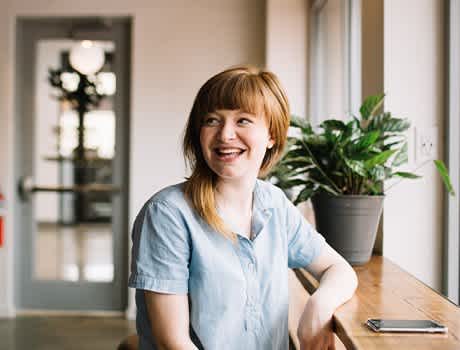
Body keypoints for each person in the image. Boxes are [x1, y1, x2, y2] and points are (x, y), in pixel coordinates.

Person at [128, 65, 358, 350]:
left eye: (243, 121)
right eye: (212, 120)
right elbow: (172, 343)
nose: (225, 135)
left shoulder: (274, 203)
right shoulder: (167, 214)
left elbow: (339, 269)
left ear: (272, 134)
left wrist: (319, 305)